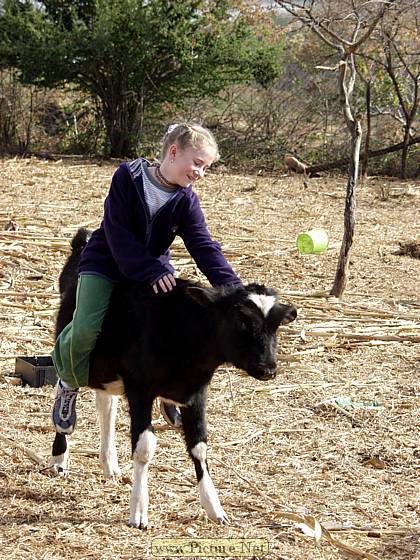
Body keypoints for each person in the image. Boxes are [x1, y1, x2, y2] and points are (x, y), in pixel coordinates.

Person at [51, 123, 241, 435]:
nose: (200, 173)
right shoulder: (127, 177)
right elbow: (118, 234)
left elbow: (204, 247)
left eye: (206, 168)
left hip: (153, 271)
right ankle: (68, 381)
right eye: (197, 163)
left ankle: (166, 391)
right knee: (84, 329)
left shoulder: (186, 201)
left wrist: (234, 290)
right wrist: (151, 271)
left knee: (174, 332)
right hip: (106, 264)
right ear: (174, 151)